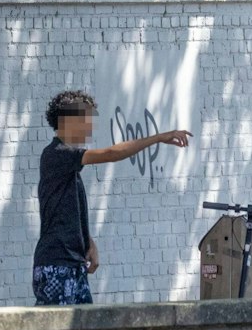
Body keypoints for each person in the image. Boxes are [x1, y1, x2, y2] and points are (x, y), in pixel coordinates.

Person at [32, 89, 191, 306]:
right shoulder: (56, 153)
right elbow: (111, 154)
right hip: (56, 265)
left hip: (74, 264)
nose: (89, 126)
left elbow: (66, 211)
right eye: (85, 119)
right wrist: (159, 137)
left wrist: (88, 243)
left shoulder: (68, 165)